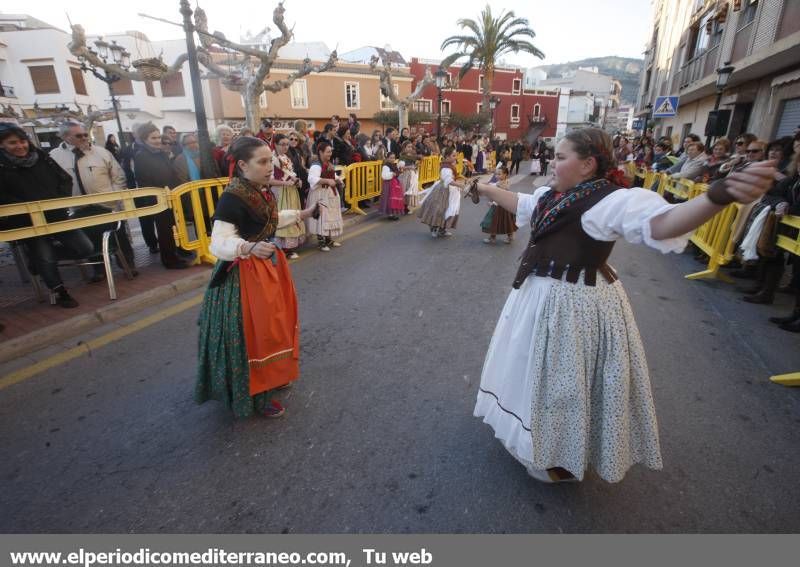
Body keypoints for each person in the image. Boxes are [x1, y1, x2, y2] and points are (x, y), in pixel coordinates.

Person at [469, 127, 775, 483]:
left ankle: (559, 453)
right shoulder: (553, 195)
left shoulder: (611, 201)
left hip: (574, 306)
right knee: (535, 373)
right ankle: (542, 442)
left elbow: (662, 224)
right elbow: (522, 204)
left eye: (561, 157)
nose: (552, 163)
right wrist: (485, 188)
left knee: (564, 385)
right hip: (540, 297)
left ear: (587, 165)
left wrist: (717, 197)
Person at [196, 136, 320, 419]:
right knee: (255, 334)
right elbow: (218, 242)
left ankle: (273, 378)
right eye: (262, 162)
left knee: (276, 326)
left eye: (270, 161)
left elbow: (271, 219)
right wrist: (247, 248)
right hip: (242, 274)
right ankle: (254, 395)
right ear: (242, 165)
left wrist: (303, 212)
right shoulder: (233, 196)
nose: (269, 167)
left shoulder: (258, 190)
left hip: (265, 267)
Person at [0, 123, 94, 307]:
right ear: (2, 145)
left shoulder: (41, 157)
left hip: (56, 215)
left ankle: (39, 261)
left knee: (85, 248)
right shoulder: (2, 166)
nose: (20, 146)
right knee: (45, 255)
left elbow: (65, 180)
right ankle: (60, 292)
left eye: (22, 141)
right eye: (12, 143)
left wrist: (57, 200)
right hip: (26, 221)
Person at [50, 121, 137, 278]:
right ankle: (99, 270)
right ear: (65, 137)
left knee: (119, 237)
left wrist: (114, 196)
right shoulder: (55, 157)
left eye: (85, 134)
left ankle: (128, 265)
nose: (84, 138)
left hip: (107, 206)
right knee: (90, 239)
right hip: (79, 209)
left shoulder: (102, 153)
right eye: (79, 135)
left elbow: (118, 176)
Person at [133, 122, 190, 269]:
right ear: (145, 139)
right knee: (165, 230)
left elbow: (171, 174)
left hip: (171, 196)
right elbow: (143, 180)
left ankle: (179, 250)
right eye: (153, 138)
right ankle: (170, 260)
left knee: (174, 227)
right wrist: (158, 196)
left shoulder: (162, 154)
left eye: (158, 137)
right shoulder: (141, 157)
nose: (158, 140)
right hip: (158, 199)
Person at [268, 133, 306, 259]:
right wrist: (285, 183)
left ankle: (290, 247)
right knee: (283, 217)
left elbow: (291, 173)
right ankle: (283, 248)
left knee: (292, 215)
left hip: (290, 191)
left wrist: (297, 180)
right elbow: (269, 180)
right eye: (282, 144)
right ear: (275, 144)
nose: (285, 147)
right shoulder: (272, 159)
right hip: (280, 192)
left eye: (287, 145)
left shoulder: (286, 158)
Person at [416, 147, 468, 238]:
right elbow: (448, 181)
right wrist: (461, 186)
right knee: (439, 209)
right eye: (453, 155)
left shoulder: (450, 166)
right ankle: (434, 228)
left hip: (450, 190)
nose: (455, 157)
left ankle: (442, 229)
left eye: (455, 155)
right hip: (443, 190)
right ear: (447, 157)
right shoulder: (446, 168)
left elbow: (454, 177)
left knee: (448, 209)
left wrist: (464, 180)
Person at [306, 141, 344, 251]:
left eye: (331, 151)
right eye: (328, 152)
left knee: (329, 216)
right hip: (320, 194)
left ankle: (328, 239)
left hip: (330, 193)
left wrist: (339, 180)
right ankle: (321, 241)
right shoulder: (316, 165)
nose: (330, 154)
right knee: (321, 217)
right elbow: (311, 179)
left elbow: (334, 175)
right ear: (320, 152)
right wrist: (327, 180)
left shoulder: (329, 163)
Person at [480, 164, 517, 245]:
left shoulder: (503, 183)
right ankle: (508, 236)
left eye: (499, 174)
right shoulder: (500, 182)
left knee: (494, 221)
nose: (497, 175)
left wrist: (493, 201)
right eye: (496, 174)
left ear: (505, 175)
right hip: (503, 205)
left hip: (500, 205)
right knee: (505, 221)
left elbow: (500, 192)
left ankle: (493, 238)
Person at [379, 152, 404, 220]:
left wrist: (399, 171)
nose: (393, 159)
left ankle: (392, 213)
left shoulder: (394, 165)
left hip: (394, 184)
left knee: (393, 198)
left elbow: (397, 173)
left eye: (393, 158)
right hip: (388, 185)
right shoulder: (386, 166)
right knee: (389, 198)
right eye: (391, 158)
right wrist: (392, 174)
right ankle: (390, 214)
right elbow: (384, 176)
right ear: (387, 158)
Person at [398, 141, 420, 213]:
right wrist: (409, 167)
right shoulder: (402, 156)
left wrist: (416, 166)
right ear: (404, 148)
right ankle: (403, 206)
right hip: (405, 175)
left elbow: (415, 165)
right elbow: (401, 168)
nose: (410, 148)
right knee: (405, 189)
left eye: (411, 147)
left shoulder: (412, 156)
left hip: (412, 174)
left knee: (411, 189)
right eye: (408, 147)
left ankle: (407, 205)